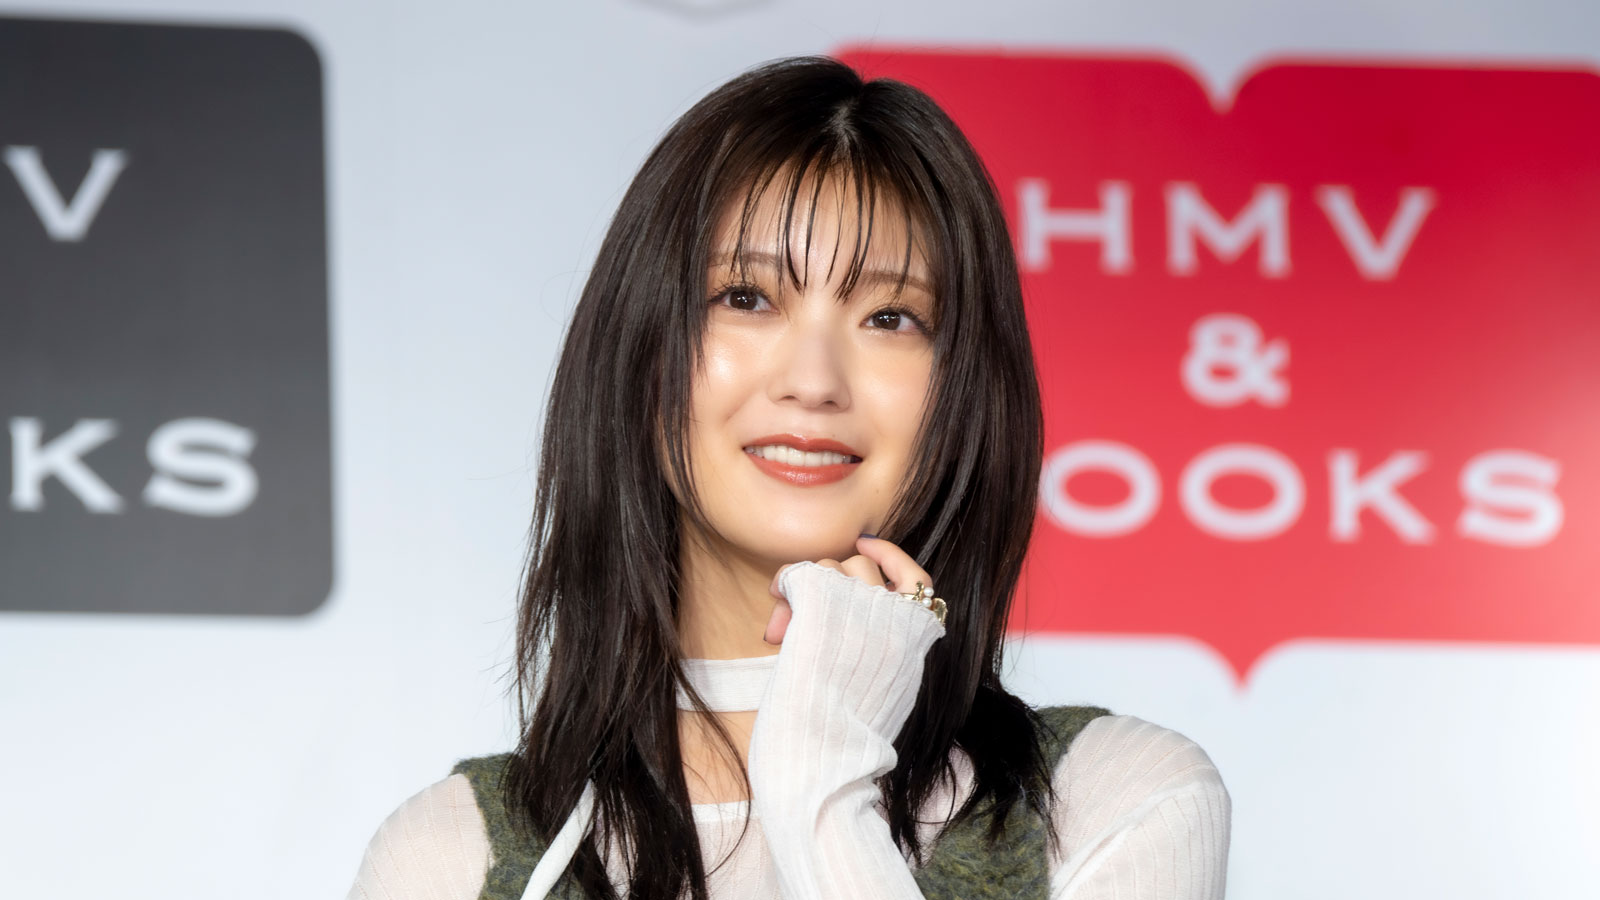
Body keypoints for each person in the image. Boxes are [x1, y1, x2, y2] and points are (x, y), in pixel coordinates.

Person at [347, 55, 1231, 900]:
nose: (814, 380)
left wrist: (821, 780)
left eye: (891, 317)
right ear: (639, 352)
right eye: (746, 298)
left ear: (966, 391)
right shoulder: (449, 857)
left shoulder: (1113, 803)